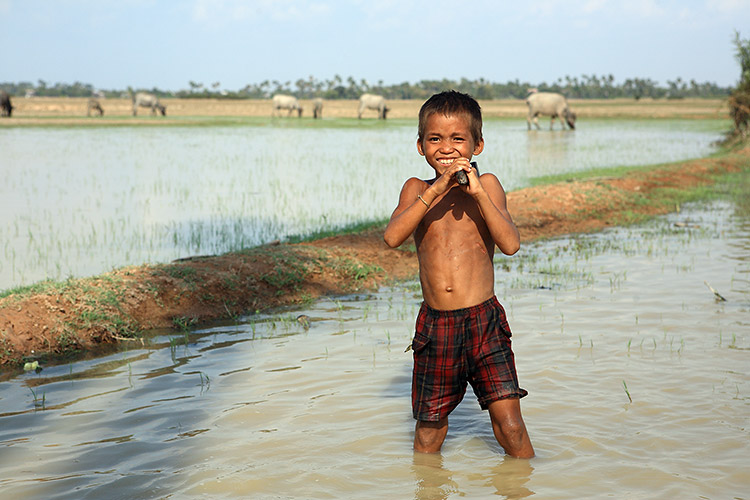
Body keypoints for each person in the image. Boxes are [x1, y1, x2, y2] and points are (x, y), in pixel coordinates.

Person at [384, 90, 534, 458]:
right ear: (420, 146)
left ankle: (527, 484)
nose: (446, 148)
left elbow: (511, 244)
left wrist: (478, 192)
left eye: (457, 139)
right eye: (434, 138)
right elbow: (392, 237)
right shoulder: (417, 189)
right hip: (437, 326)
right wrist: (438, 187)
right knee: (429, 433)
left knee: (510, 425)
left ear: (477, 145)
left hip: (484, 320)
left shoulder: (490, 186)